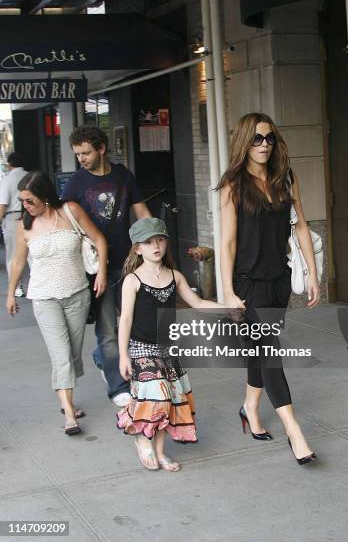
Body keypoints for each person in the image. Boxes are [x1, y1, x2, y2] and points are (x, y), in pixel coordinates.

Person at [218, 113, 320, 465]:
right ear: (244, 141)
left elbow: (302, 226)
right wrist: (228, 290)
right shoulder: (234, 184)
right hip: (248, 284)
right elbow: (228, 243)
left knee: (260, 350)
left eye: (269, 139)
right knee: (271, 352)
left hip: (279, 279)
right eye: (257, 138)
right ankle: (294, 430)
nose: (264, 145)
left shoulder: (284, 178)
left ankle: (249, 407)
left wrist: (313, 273)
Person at [116, 217, 225, 471]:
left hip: (167, 347)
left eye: (160, 240)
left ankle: (161, 450)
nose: (156, 245)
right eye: (148, 242)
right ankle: (144, 441)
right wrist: (123, 355)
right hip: (141, 347)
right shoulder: (132, 280)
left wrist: (229, 310)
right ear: (137, 248)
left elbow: (197, 303)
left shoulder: (174, 276)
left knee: (170, 399)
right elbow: (126, 320)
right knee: (158, 394)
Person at [6, 171, 108, 435]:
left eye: (29, 201)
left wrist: (102, 274)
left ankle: (67, 400)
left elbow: (99, 239)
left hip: (77, 294)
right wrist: (10, 293)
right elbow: (18, 261)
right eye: (22, 201)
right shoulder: (24, 225)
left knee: (73, 353)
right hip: (43, 296)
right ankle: (70, 415)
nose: (25, 206)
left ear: (44, 196)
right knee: (61, 355)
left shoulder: (70, 211)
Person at [62, 125, 151, 407]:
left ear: (101, 149)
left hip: (128, 263)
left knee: (135, 323)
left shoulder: (123, 175)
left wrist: (153, 242)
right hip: (96, 268)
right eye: (77, 154)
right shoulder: (75, 183)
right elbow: (65, 223)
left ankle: (106, 358)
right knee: (108, 330)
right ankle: (118, 387)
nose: (81, 159)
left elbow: (142, 211)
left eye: (86, 153)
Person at [0, 152, 27, 297]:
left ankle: (17, 287)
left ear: (9, 165)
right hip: (31, 216)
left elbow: (3, 204)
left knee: (13, 254)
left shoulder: (7, 180)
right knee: (33, 254)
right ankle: (37, 284)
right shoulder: (30, 176)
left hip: (12, 218)